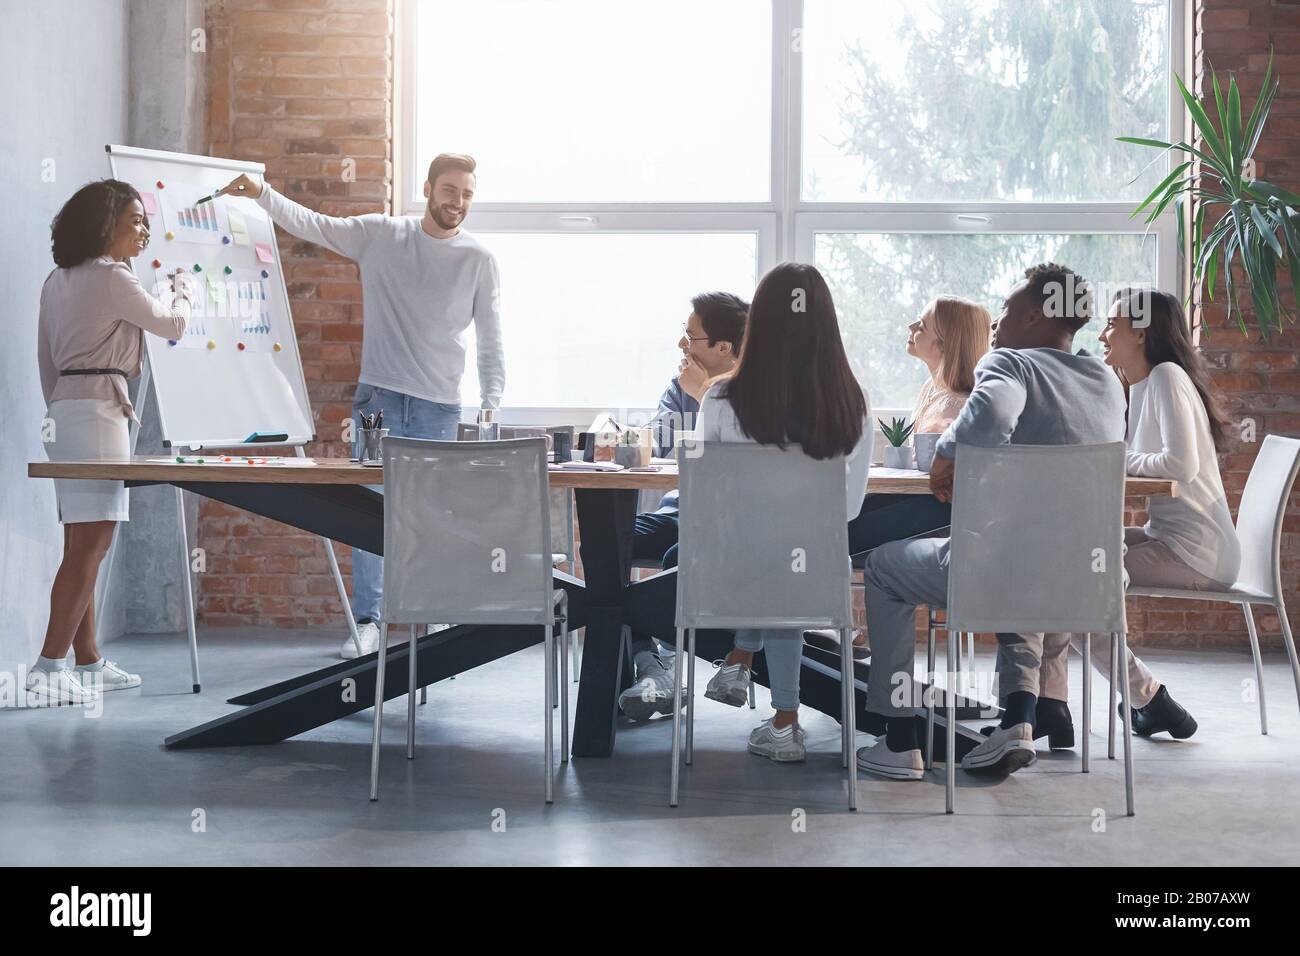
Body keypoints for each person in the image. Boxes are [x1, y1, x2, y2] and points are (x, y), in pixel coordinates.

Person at [217, 154, 504, 659]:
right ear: (429, 188)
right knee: (371, 510)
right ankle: (369, 620)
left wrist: (492, 401)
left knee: (431, 512)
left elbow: (490, 337)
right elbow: (316, 226)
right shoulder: (382, 236)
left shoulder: (478, 259)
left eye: (466, 194)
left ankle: (430, 614)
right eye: (449, 190)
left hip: (440, 406)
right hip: (379, 397)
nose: (457, 202)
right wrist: (262, 193)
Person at [856, 263, 1127, 780]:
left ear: (1032, 314)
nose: (997, 324)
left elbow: (992, 416)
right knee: (1024, 554)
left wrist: (947, 454)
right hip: (1092, 576)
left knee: (885, 567)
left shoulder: (1010, 364)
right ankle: (1021, 717)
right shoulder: (1106, 381)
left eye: (1005, 310)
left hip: (1007, 575)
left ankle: (899, 739)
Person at [668, 262, 871, 761]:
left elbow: (705, 503)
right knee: (788, 565)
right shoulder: (853, 403)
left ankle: (744, 660)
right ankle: (783, 722)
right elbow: (850, 507)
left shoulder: (721, 396)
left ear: (756, 325)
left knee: (766, 562)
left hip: (731, 570)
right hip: (818, 569)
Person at [1034, 289, 1236, 739]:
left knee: (1075, 587)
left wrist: (1116, 458)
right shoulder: (1143, 384)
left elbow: (1179, 465)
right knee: (1065, 562)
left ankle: (1138, 699)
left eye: (1112, 324)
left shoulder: (1166, 376)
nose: (1103, 333)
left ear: (1141, 331)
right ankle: (1059, 704)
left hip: (1196, 552)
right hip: (1167, 537)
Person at [31, 180, 193, 706]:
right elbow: (170, 324)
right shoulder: (112, 276)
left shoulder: (58, 279)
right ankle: (49, 667)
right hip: (100, 412)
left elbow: (46, 362)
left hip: (68, 409)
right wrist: (181, 288)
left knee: (80, 544)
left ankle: (88, 660)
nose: (143, 230)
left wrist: (63, 408)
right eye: (136, 219)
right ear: (106, 225)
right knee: (92, 545)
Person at [809, 296, 991, 660]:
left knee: (822, 533)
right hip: (915, 504)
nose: (911, 329)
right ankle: (823, 625)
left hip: (936, 515)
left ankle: (823, 624)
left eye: (921, 326)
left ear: (945, 342)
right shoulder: (931, 393)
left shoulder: (961, 403)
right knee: (821, 523)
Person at [619, 292, 749, 721]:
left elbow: (734, 465)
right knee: (612, 543)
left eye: (690, 336)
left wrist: (709, 396)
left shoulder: (756, 392)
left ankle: (667, 670)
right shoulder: (680, 388)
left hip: (731, 522)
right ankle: (650, 665)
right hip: (681, 511)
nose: (682, 345)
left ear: (723, 347)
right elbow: (654, 443)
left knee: (680, 561)